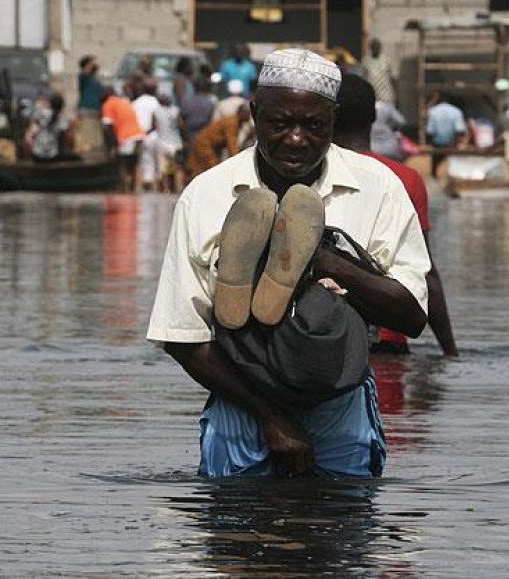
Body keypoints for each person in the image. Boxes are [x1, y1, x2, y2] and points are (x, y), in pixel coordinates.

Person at [147, 48, 430, 478]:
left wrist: (324, 263)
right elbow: (182, 336)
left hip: (339, 395)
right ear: (254, 113)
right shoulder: (207, 194)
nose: (296, 138)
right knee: (262, 534)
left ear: (333, 121)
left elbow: (411, 316)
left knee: (286, 533)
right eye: (280, 124)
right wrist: (271, 417)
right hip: (245, 398)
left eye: (313, 126)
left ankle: (308, 263)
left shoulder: (378, 188)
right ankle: (261, 280)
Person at [333, 74, 458, 357]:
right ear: (375, 116)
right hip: (388, 338)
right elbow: (426, 272)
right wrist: (450, 351)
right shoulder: (405, 178)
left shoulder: (310, 173)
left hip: (323, 335)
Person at [184, 103, 253, 180]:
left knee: (206, 168)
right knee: (212, 168)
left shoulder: (237, 122)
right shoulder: (232, 122)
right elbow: (231, 144)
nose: (249, 117)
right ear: (242, 113)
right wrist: (237, 161)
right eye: (248, 114)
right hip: (206, 144)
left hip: (212, 146)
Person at [101, 85, 145, 192]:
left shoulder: (108, 104)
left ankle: (125, 189)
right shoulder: (124, 101)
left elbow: (107, 127)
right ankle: (136, 189)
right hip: (139, 134)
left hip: (126, 137)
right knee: (135, 163)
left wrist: (113, 145)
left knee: (123, 164)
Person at [425, 91, 467, 174]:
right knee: (452, 166)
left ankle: (435, 176)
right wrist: (458, 142)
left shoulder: (433, 111)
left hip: (437, 144)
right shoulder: (456, 111)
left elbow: (430, 131)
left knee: (435, 166)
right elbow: (460, 130)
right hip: (452, 144)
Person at [25, 93, 69, 161]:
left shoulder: (41, 113)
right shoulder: (62, 119)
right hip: (53, 157)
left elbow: (32, 128)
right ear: (61, 106)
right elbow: (63, 139)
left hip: (36, 155)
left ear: (50, 104)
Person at [75, 55, 106, 153]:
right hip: (87, 111)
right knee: (86, 138)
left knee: (96, 139)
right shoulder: (84, 77)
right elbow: (85, 72)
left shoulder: (94, 79)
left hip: (96, 111)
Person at [359, 38, 395, 105]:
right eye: (374, 47)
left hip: (386, 97)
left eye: (377, 47)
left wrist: (397, 96)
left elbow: (392, 79)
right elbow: (362, 79)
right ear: (371, 48)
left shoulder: (386, 60)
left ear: (380, 48)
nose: (376, 49)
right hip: (372, 97)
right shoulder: (366, 61)